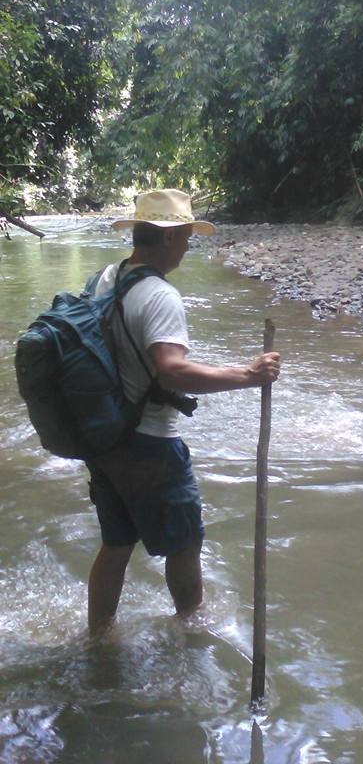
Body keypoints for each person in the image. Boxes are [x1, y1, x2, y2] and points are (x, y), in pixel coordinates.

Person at [85, 189, 280, 636]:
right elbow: (171, 371)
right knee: (186, 543)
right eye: (187, 236)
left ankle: (97, 638)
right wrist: (247, 375)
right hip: (150, 444)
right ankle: (191, 637)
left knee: (116, 543)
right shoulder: (159, 295)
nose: (189, 246)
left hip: (105, 438)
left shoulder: (105, 279)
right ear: (170, 236)